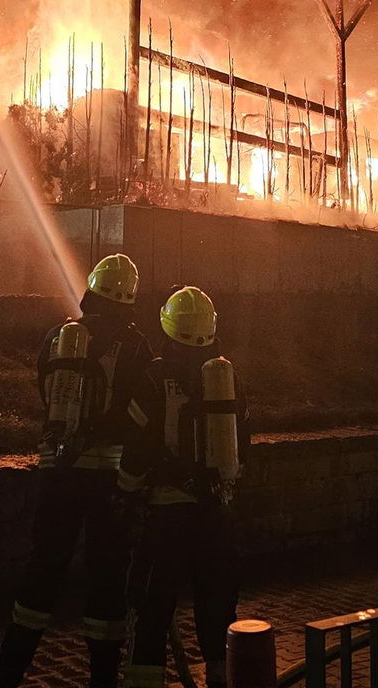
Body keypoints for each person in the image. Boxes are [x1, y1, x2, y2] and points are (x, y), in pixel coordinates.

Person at [0, 253, 154, 688]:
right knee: (107, 577)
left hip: (58, 470)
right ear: (130, 298)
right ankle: (103, 678)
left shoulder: (58, 338)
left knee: (43, 568)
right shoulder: (137, 345)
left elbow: (47, 393)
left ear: (92, 290)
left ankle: (8, 673)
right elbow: (145, 413)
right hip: (110, 480)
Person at [119, 286, 249, 688]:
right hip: (216, 515)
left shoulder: (153, 380)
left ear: (167, 328)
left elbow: (137, 451)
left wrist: (125, 493)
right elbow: (243, 444)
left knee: (152, 609)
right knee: (218, 613)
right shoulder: (227, 379)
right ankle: (220, 678)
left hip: (165, 516)